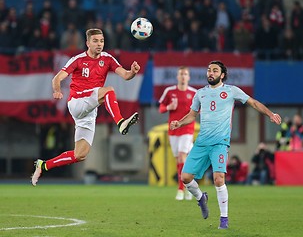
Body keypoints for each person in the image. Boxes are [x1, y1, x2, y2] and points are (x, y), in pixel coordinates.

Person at [170, 60, 282, 229]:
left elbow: (253, 102)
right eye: (209, 70)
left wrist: (270, 114)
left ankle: (224, 219)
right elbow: (192, 115)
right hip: (202, 143)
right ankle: (201, 198)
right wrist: (179, 122)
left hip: (220, 143)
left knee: (218, 178)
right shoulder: (200, 94)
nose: (210, 73)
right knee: (185, 177)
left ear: (222, 75)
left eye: (214, 70)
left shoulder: (231, 91)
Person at [31, 28, 140, 186]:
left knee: (80, 155)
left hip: (89, 110)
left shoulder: (108, 59)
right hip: (76, 102)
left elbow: (125, 75)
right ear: (87, 43)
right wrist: (57, 91)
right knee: (109, 91)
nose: (99, 44)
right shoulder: (78, 59)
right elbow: (57, 78)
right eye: (95, 41)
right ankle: (120, 122)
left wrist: (133, 72)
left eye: (101, 41)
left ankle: (43, 165)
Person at [158, 66, 197, 200]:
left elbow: (199, 110)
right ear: (177, 76)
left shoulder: (194, 93)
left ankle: (181, 189)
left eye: (185, 74)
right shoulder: (169, 91)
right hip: (173, 130)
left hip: (187, 129)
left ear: (189, 77)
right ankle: (188, 186)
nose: (183, 76)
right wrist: (169, 107)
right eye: (181, 74)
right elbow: (161, 108)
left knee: (182, 156)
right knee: (178, 160)